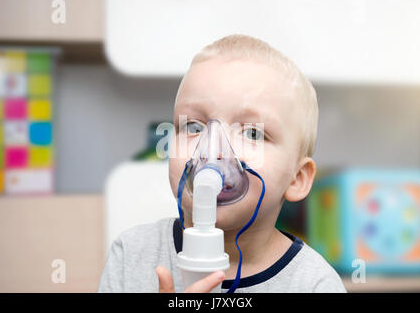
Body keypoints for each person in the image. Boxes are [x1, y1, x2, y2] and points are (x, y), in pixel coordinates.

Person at [98, 34, 346, 293]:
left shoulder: (314, 284)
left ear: (296, 178)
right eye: (193, 126)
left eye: (252, 133)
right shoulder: (132, 256)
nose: (213, 151)